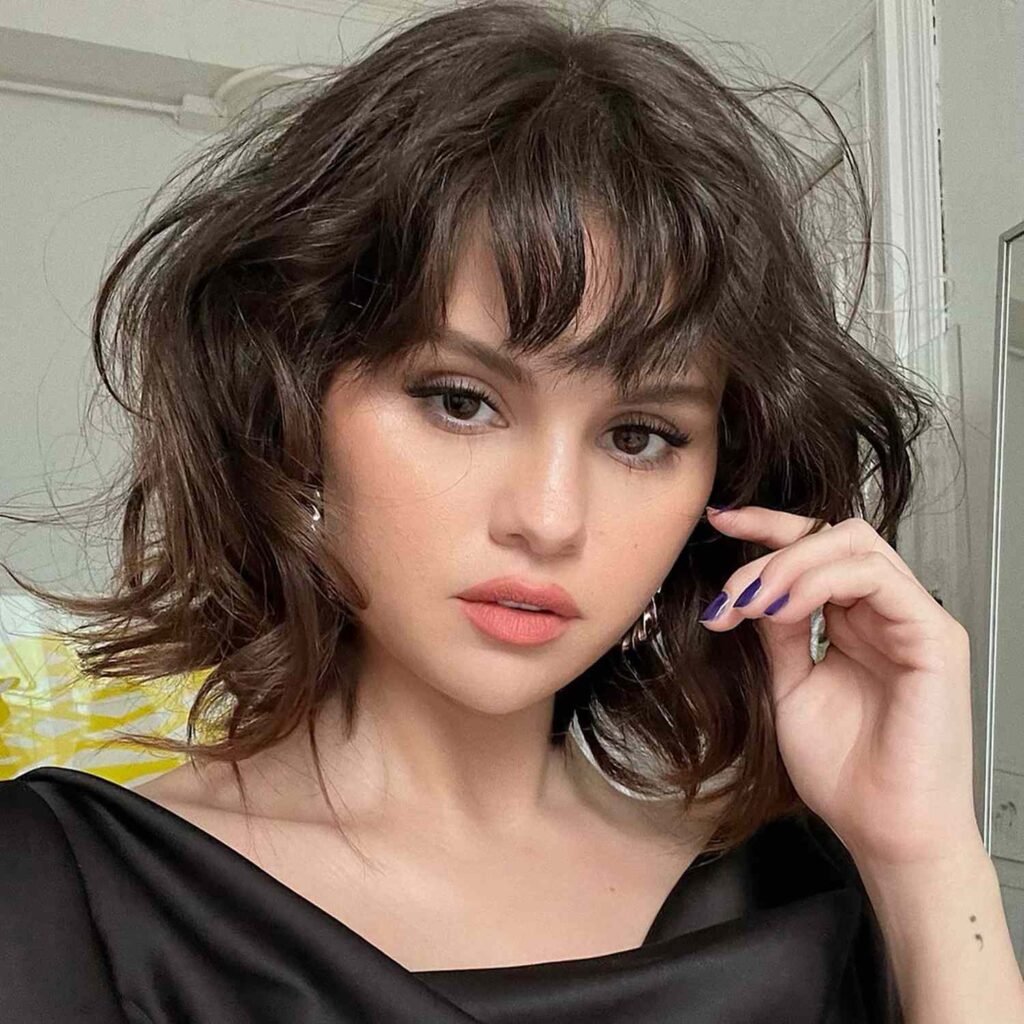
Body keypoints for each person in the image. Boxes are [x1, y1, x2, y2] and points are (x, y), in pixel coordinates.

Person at [2, 1, 1022, 1021]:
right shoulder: (65, 892)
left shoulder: (792, 899)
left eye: (639, 436)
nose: (549, 518)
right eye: (460, 402)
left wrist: (925, 853)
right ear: (293, 411)